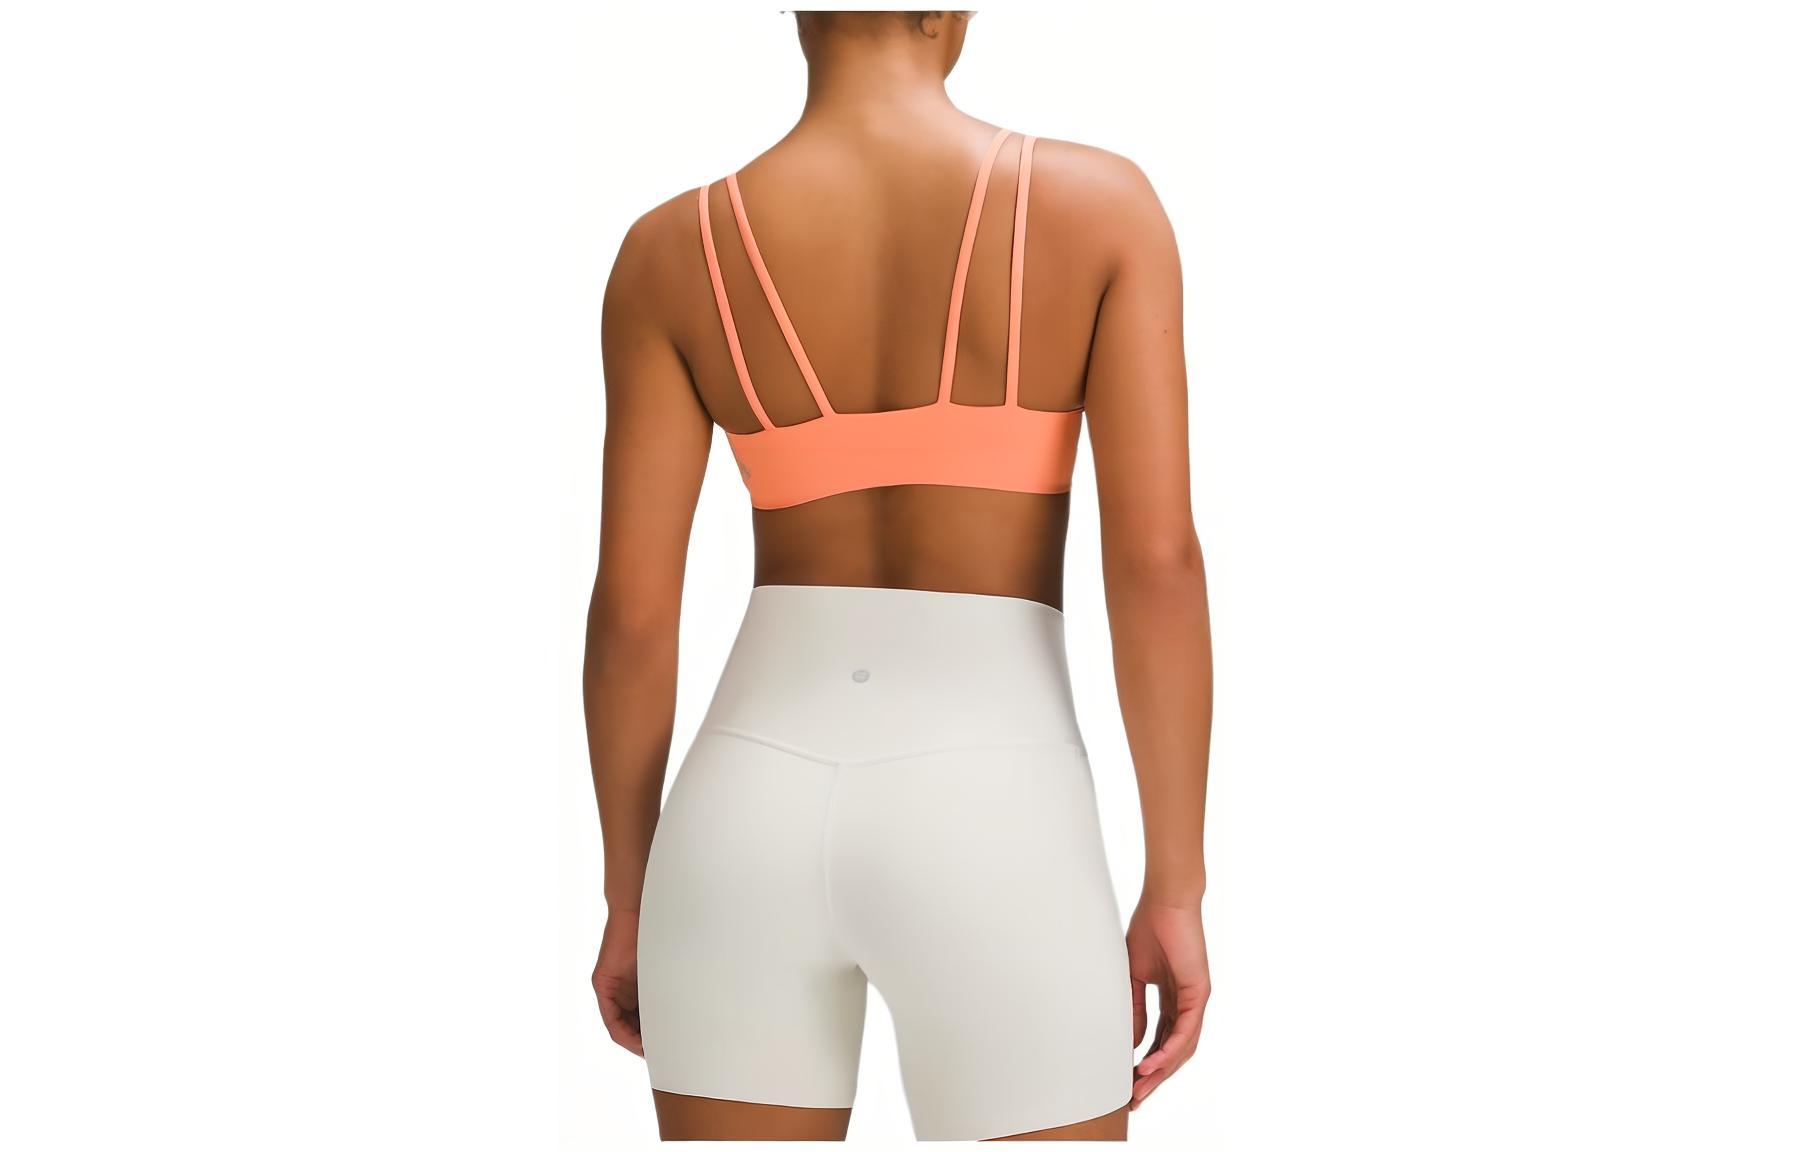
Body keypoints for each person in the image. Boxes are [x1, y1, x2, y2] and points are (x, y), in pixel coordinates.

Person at [584, 10, 1212, 1142]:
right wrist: (1176, 884)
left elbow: (631, 615)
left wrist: (630, 895)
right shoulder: (1099, 207)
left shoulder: (670, 249)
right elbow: (1157, 564)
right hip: (997, 807)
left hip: (740, 815)